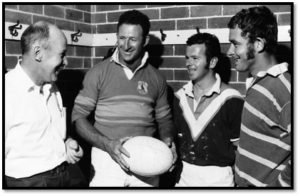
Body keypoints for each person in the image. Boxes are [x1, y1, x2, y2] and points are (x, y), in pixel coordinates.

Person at [71, 9, 177, 187]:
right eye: (122, 38)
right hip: (105, 161)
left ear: (145, 41)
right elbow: (77, 117)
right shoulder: (98, 73)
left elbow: (165, 121)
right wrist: (106, 144)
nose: (126, 45)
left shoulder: (157, 78)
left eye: (133, 39)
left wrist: (168, 141)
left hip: (147, 160)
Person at [5, 21, 88, 187]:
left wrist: (66, 143)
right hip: (28, 181)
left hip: (66, 174)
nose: (66, 62)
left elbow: (48, 132)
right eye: (62, 54)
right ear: (38, 53)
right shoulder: (8, 92)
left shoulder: (52, 87)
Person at [227, 6, 291, 187]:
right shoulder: (258, 83)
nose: (229, 51)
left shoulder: (283, 89)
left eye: (236, 43)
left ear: (258, 44)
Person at [173, 32, 244, 187]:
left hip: (218, 178)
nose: (189, 63)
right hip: (184, 175)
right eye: (187, 58)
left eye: (195, 58)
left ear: (212, 62)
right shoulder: (179, 98)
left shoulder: (231, 99)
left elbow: (240, 150)